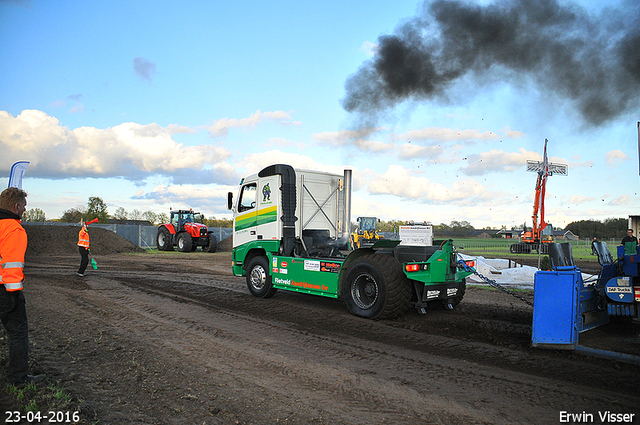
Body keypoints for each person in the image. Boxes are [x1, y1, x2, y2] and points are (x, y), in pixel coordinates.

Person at [0, 187, 45, 385]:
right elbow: (12, 264)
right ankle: (17, 378)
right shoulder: (14, 229)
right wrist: (14, 295)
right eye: (24, 206)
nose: (25, 210)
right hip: (5, 291)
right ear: (16, 206)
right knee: (18, 333)